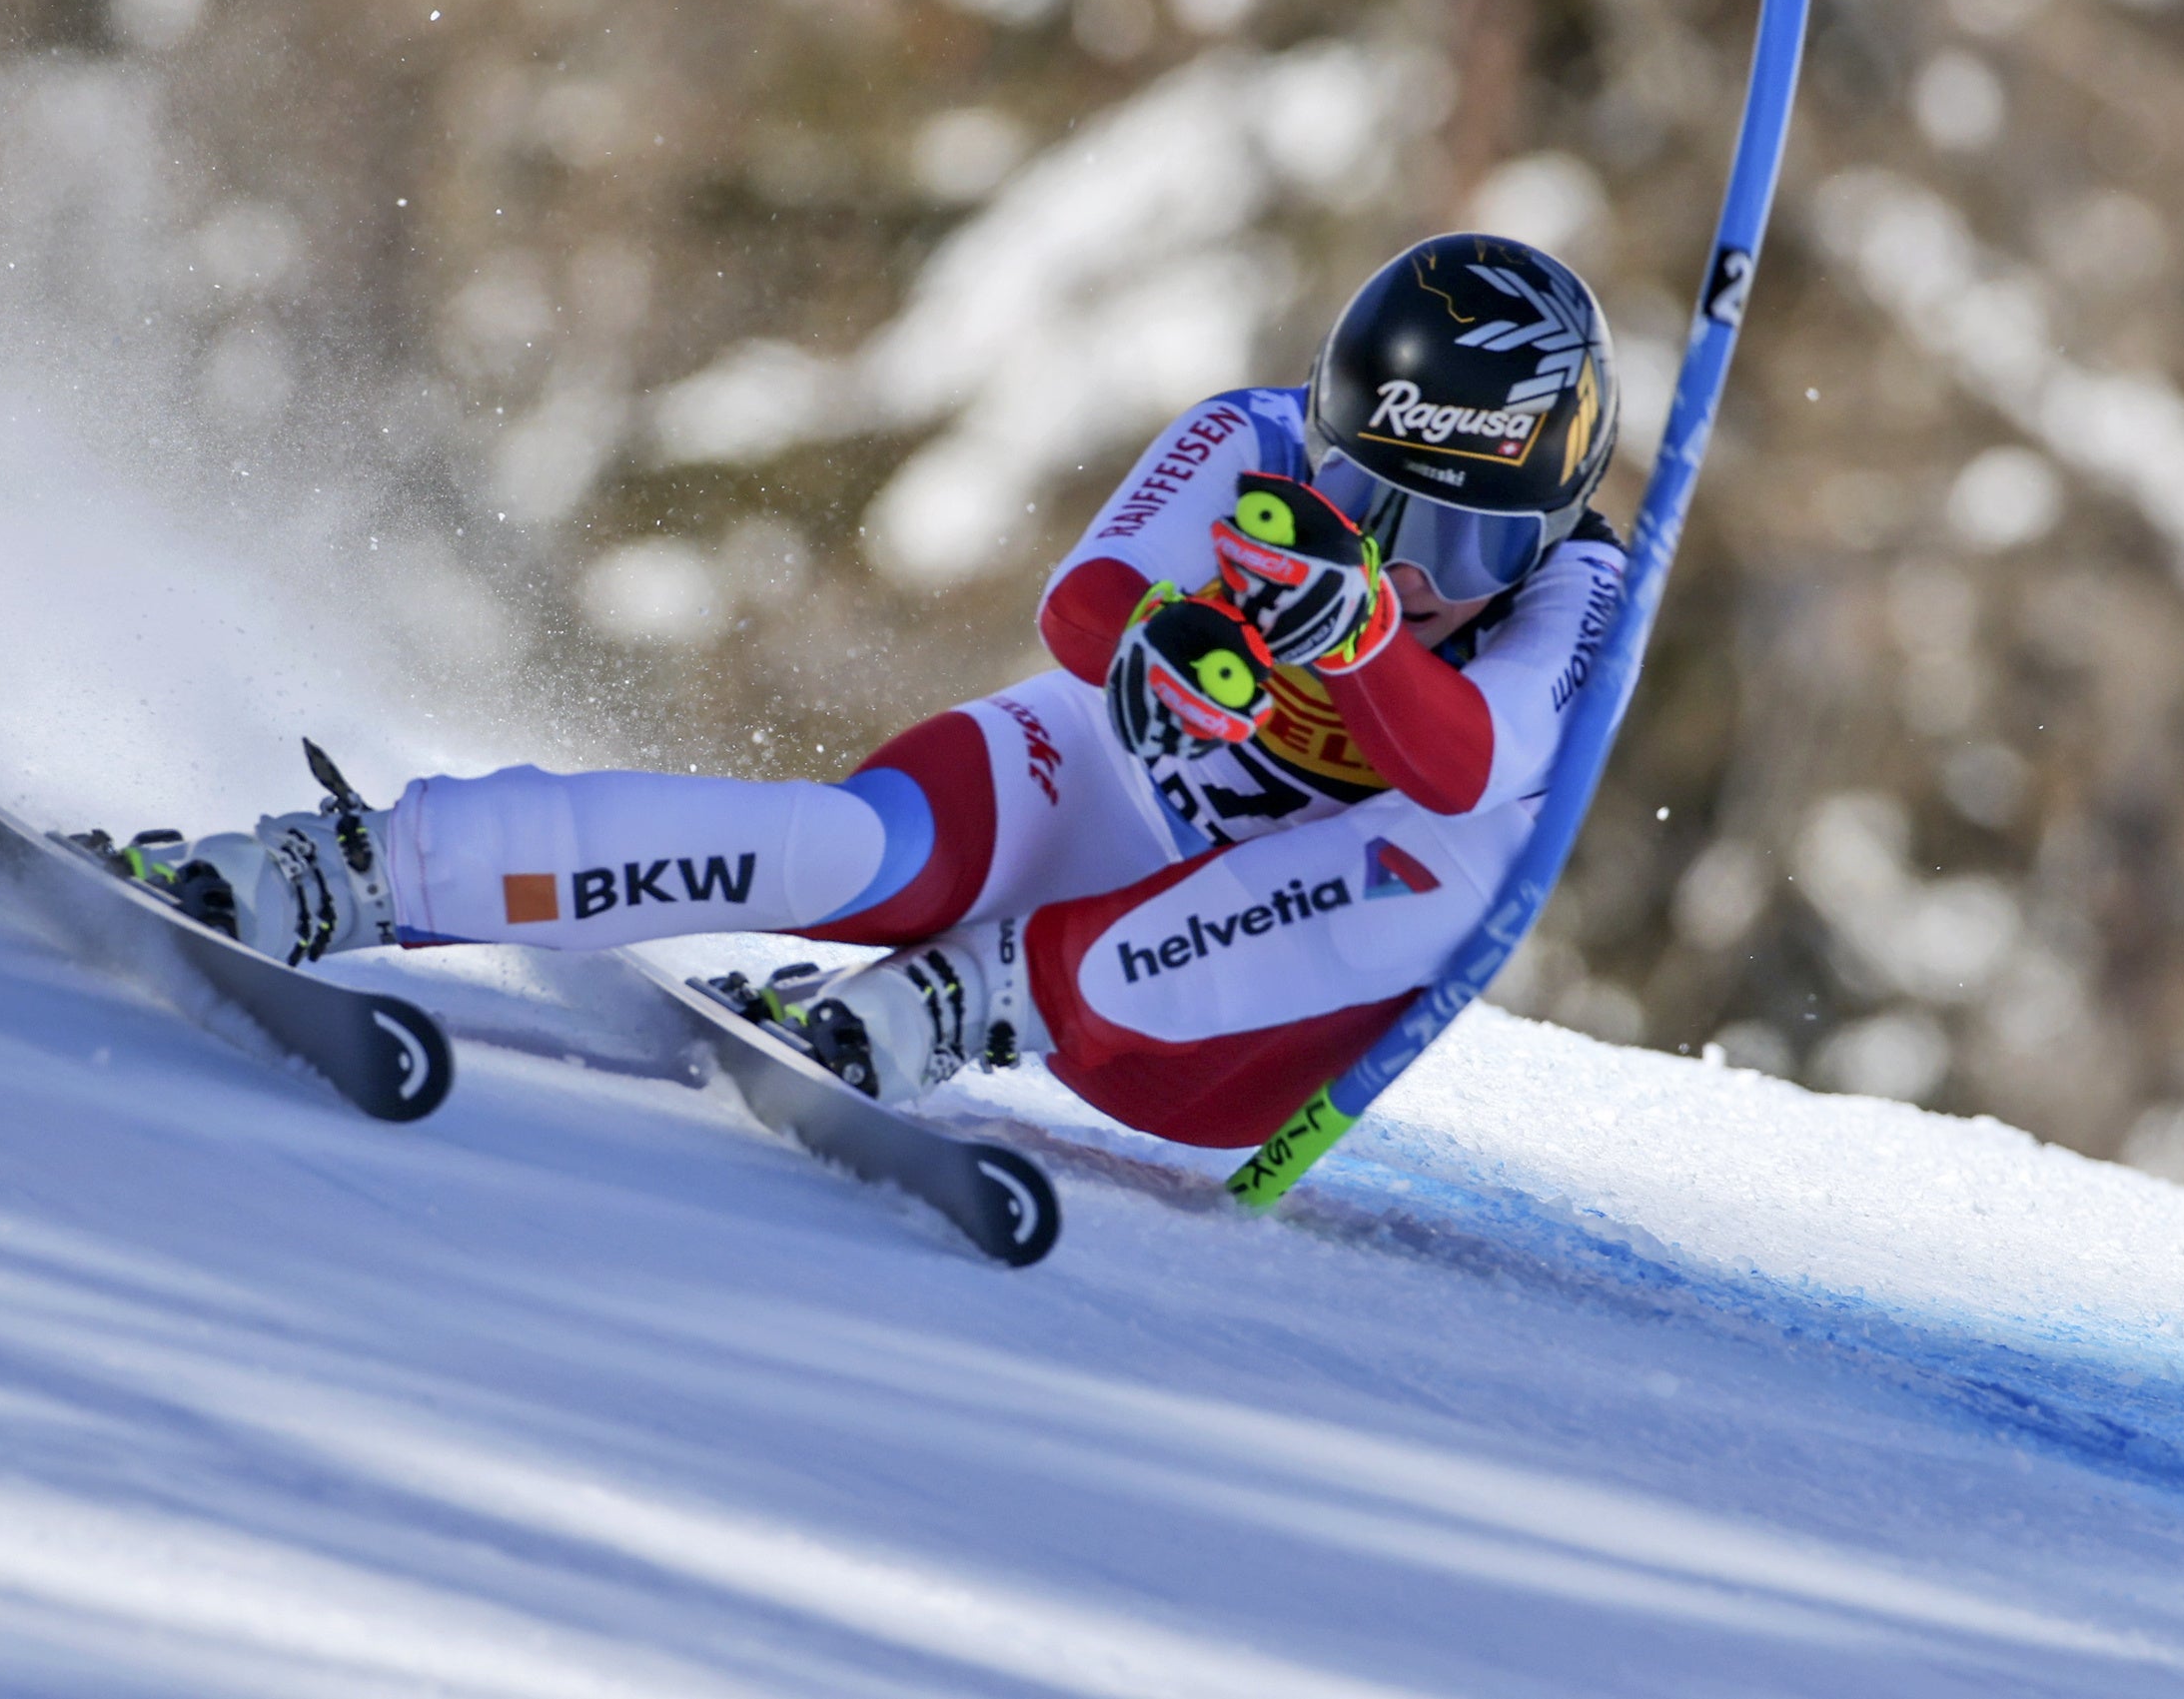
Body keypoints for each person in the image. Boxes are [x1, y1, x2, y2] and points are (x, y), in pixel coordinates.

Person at [96, 234, 1627, 1150]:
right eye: (1379, 504)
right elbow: (1080, 607)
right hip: (1109, 786)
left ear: (1547, 523)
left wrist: (1352, 637)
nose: (1418, 568)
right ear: (1325, 436)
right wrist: (1169, 640)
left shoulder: (1577, 595)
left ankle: (977, 995)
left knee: (1458, 859)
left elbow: (1463, 761)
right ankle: (354, 867)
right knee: (847, 850)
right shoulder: (1249, 439)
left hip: (1228, 1019)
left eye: (1469, 532)